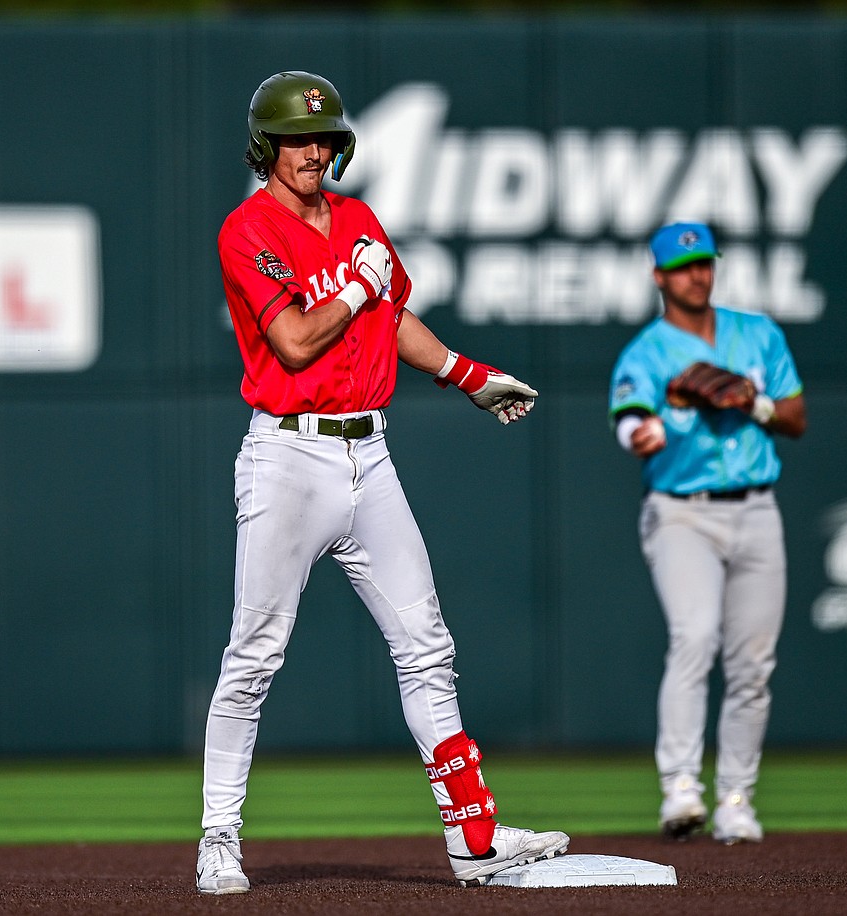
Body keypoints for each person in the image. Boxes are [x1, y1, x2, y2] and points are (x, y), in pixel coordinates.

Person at [195, 70, 569, 895]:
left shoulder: (357, 218)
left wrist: (468, 374)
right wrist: (360, 284)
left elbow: (390, 317)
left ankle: (474, 838)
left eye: (322, 138)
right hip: (288, 456)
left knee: (428, 647)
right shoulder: (247, 229)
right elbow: (293, 341)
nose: (311, 151)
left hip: (371, 452)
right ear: (265, 146)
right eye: (295, 138)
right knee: (254, 656)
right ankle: (218, 838)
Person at [608, 222, 806, 844]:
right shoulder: (645, 353)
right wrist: (645, 431)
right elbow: (631, 419)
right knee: (694, 636)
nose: (698, 273)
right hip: (682, 510)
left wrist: (753, 403)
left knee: (752, 661)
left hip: (756, 506)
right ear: (659, 276)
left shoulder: (757, 334)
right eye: (684, 265)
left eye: (705, 262)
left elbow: (796, 418)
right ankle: (681, 788)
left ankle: (737, 798)